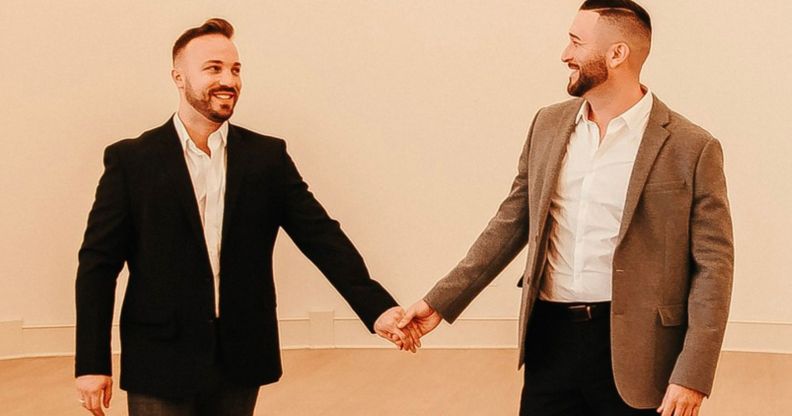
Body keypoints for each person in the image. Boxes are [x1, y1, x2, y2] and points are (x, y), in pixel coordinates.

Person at [399, 1, 733, 415]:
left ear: (617, 54)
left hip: (639, 351)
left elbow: (714, 267)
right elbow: (509, 224)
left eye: (576, 42)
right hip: (550, 340)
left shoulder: (691, 146)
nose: (564, 54)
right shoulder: (547, 124)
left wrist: (693, 373)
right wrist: (438, 302)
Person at [74, 18, 415, 416]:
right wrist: (92, 364)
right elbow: (98, 265)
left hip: (240, 357)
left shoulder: (265, 158)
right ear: (178, 78)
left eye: (235, 69)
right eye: (213, 68)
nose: (228, 79)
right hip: (159, 358)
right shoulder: (132, 160)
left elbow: (321, 237)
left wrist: (376, 308)